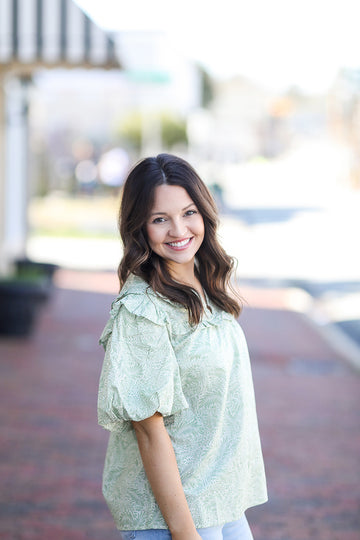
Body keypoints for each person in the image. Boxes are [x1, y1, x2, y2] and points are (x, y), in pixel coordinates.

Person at [97, 153, 268, 540]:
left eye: (188, 212)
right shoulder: (142, 310)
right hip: (176, 516)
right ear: (139, 227)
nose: (178, 230)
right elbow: (148, 431)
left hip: (221, 502)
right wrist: (186, 534)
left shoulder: (207, 288)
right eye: (160, 219)